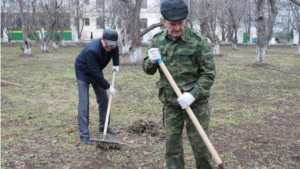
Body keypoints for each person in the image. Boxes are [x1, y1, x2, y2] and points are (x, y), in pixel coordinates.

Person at [142, 0, 216, 168]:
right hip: (171, 104)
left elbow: (209, 74)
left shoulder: (197, 41)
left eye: (180, 23)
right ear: (164, 22)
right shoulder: (158, 40)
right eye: (172, 24)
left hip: (196, 105)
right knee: (172, 147)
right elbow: (147, 69)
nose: (177, 28)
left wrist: (193, 95)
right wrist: (151, 61)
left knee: (201, 147)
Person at [74, 28, 120, 145]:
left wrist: (116, 64)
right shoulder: (92, 50)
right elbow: (95, 73)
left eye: (112, 46)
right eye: (107, 45)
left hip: (96, 70)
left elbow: (115, 52)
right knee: (84, 103)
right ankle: (84, 134)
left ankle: (103, 126)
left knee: (104, 99)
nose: (109, 48)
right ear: (101, 39)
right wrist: (108, 86)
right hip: (83, 71)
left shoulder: (113, 45)